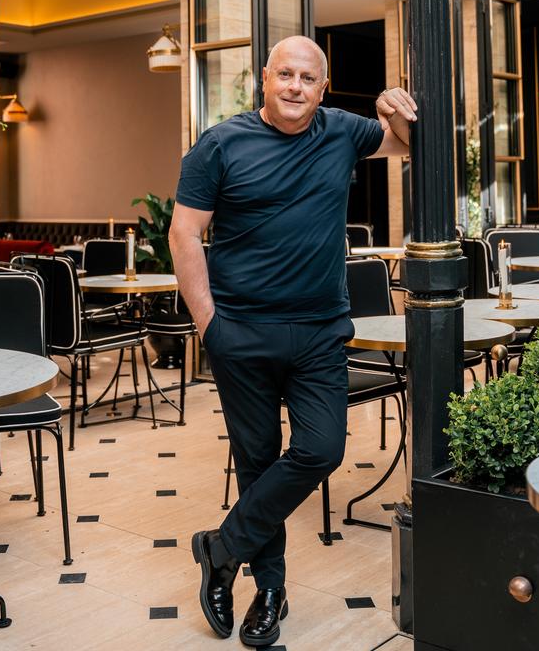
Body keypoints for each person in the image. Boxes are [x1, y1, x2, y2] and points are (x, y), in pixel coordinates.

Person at [169, 35, 416, 648]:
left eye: (308, 78)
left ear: (323, 87)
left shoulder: (343, 131)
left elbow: (408, 147)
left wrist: (396, 109)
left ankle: (221, 549)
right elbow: (184, 233)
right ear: (264, 78)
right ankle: (270, 593)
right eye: (285, 75)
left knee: (321, 449)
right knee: (257, 465)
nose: (295, 87)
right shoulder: (220, 144)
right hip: (241, 333)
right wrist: (210, 327)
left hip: (317, 332)